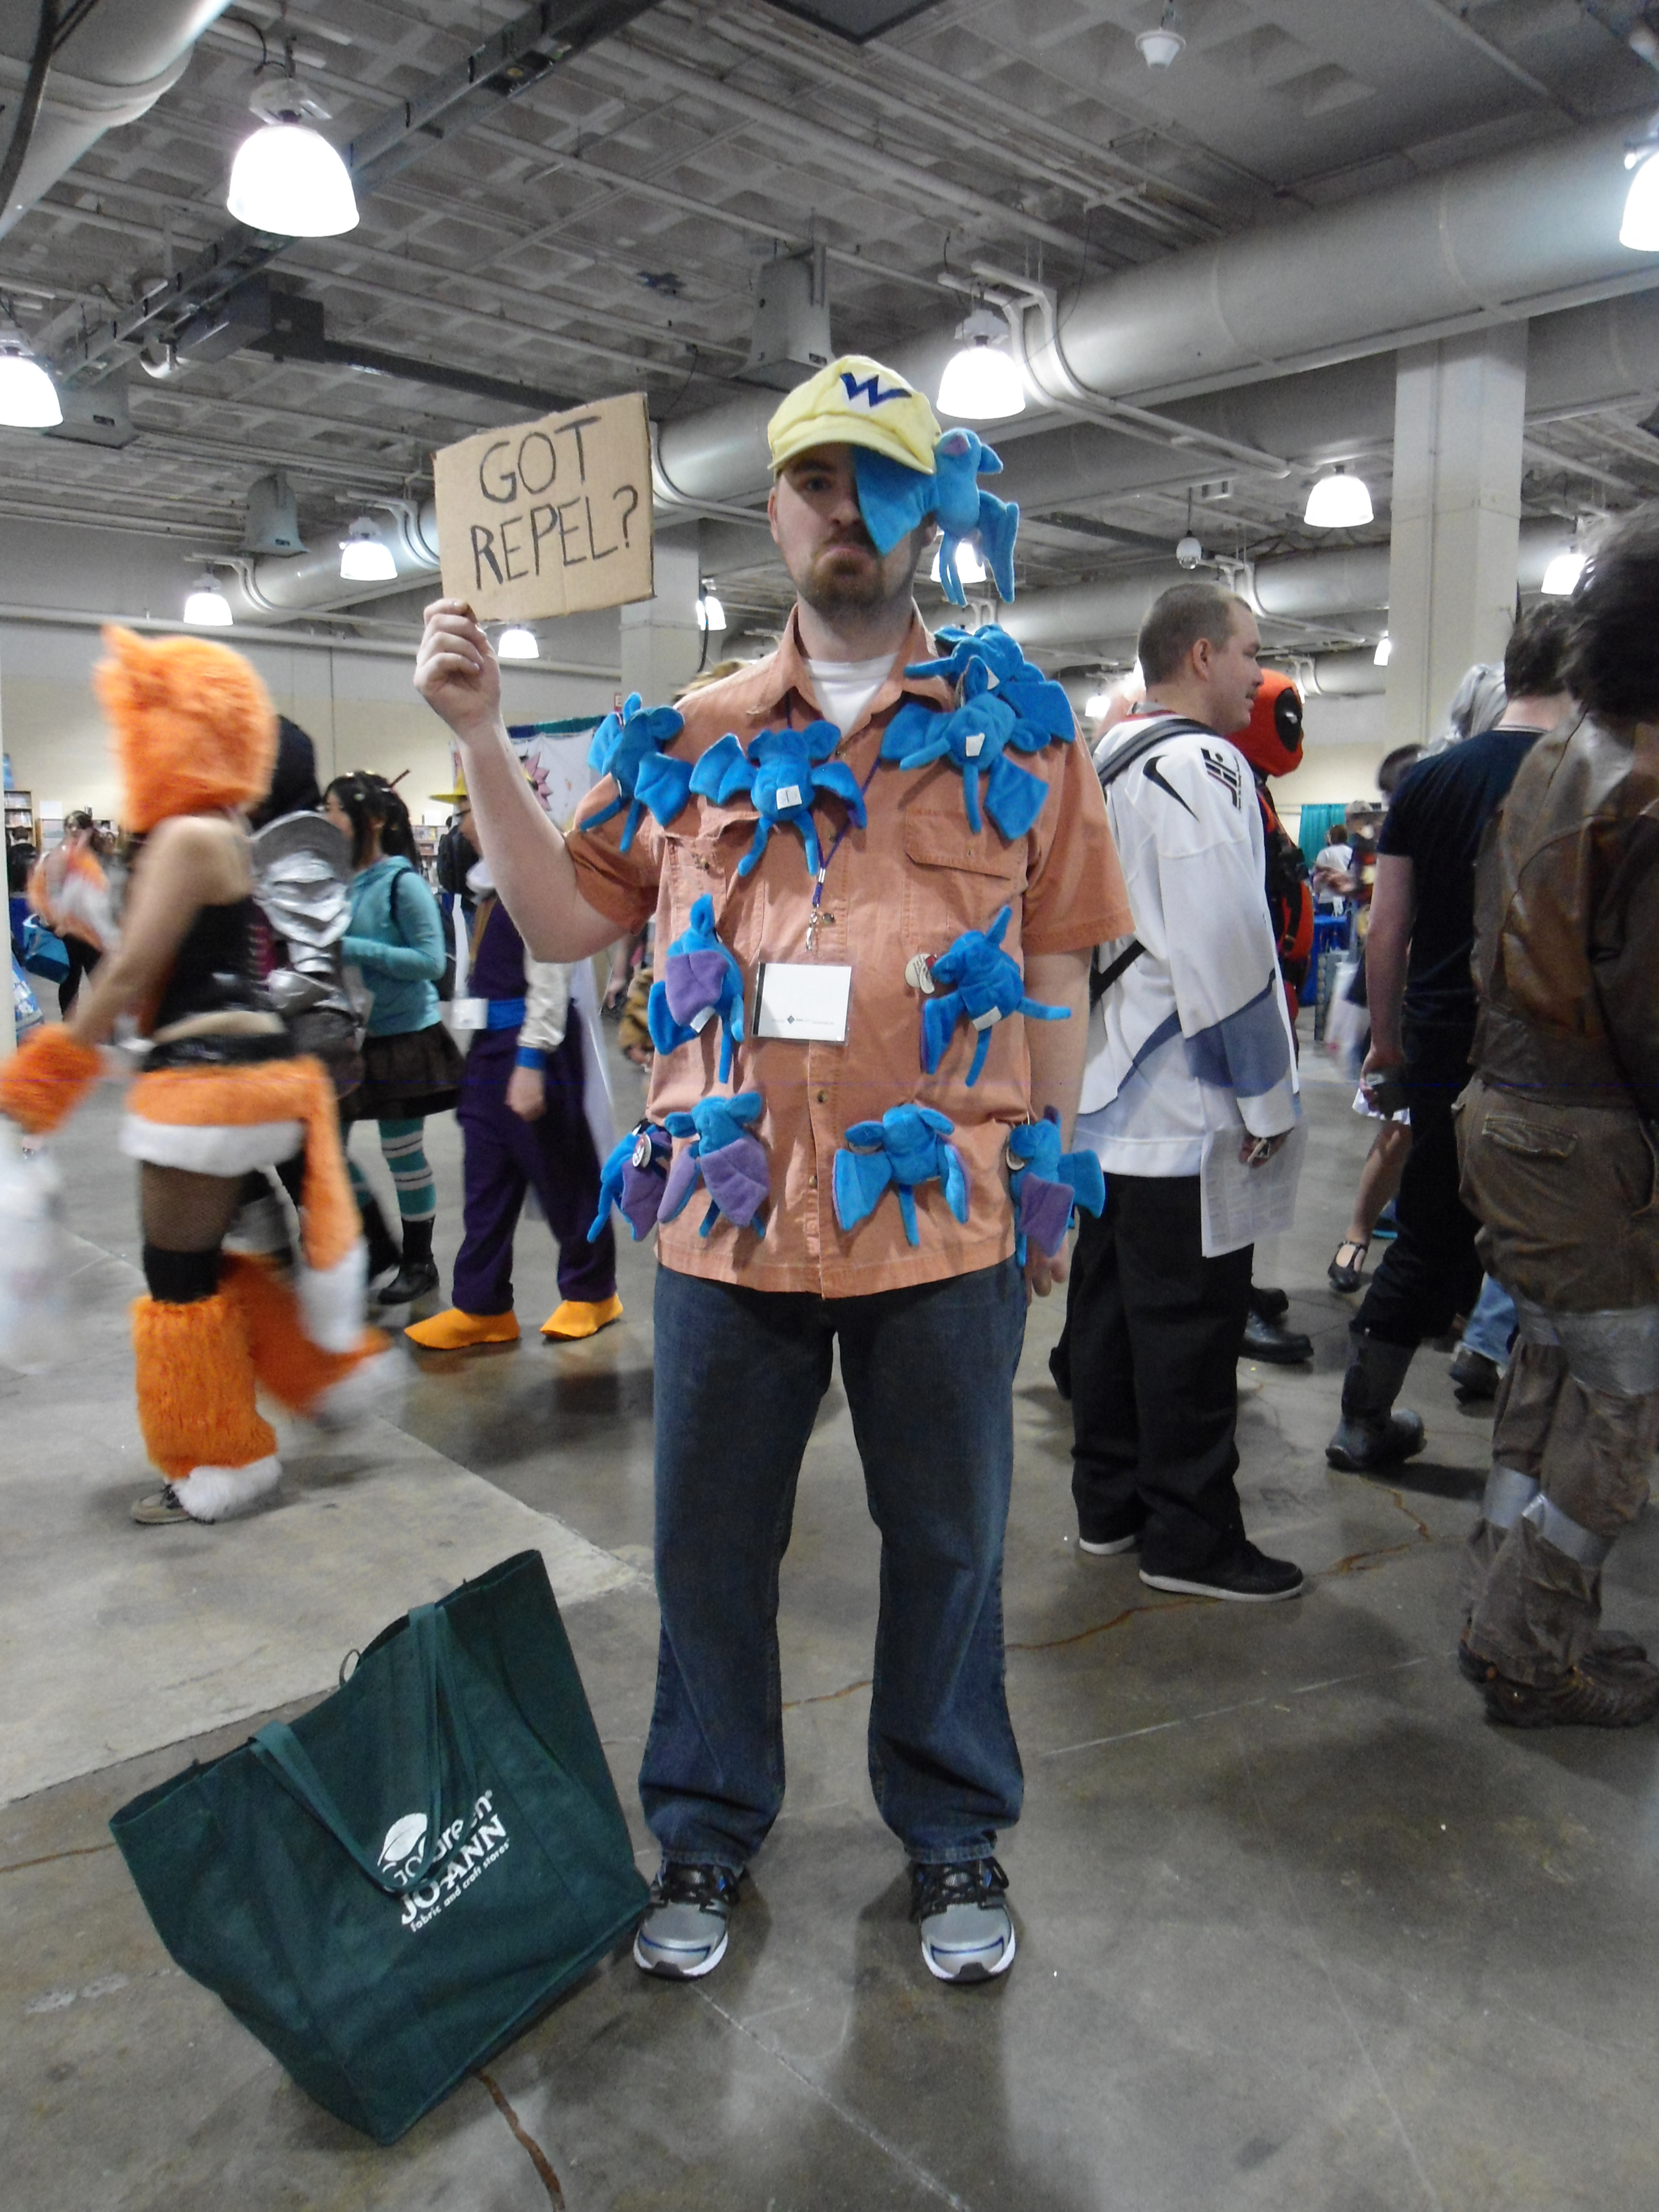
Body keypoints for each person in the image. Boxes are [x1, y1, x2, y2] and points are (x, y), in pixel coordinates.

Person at [414, 352, 1128, 1986]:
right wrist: (479, 738)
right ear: (775, 512)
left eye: (880, 480)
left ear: (929, 512)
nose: (845, 511)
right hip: (726, 1226)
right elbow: (562, 919)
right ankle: (706, 1822)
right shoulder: (688, 734)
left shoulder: (1024, 734)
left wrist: (1052, 1169)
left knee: (947, 1543)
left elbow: (1061, 963)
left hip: (942, 1219)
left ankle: (950, 1821)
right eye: (817, 479)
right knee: (708, 1549)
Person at [0, 629, 384, 1525]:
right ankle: (322, 1374)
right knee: (200, 1259)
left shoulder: (187, 834)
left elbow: (133, 974)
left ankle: (220, 1461)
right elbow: (153, 958)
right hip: (243, 1070)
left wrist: (42, 1079)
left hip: (207, 1079)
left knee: (176, 1278)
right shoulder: (218, 832)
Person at [1455, 506, 1659, 1726]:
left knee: (1545, 1368)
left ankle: (1498, 1610)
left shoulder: (1557, 755)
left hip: (1506, 1108)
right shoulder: (1648, 787)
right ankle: (1534, 1653)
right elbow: (1650, 1012)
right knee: (1621, 1409)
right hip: (1590, 1135)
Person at [1062, 582, 1306, 1604]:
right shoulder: (1200, 766)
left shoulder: (1104, 759)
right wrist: (1267, 1102)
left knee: (1109, 1319)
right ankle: (1191, 1538)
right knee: (1189, 1331)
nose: (1260, 676)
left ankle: (1110, 1506)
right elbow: (1225, 945)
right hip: (1180, 1103)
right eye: (1250, 652)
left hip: (1102, 1096)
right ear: (1201, 655)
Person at [1327, 602, 1575, 1470]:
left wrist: (1386, 1041)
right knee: (1552, 1245)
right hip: (1553, 1052)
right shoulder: (1589, 777)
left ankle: (1361, 1420)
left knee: (1427, 1228)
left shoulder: (1430, 781)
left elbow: (1386, 931)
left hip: (1439, 1036)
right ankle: (1538, 1452)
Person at [404, 780, 620, 1351]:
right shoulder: (490, 882)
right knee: (486, 1180)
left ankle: (593, 1290)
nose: (464, 824)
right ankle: (481, 1304)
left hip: (533, 1048)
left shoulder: (537, 874)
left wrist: (531, 1058)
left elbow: (551, 970)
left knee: (562, 1172)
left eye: (472, 808)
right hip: (490, 1050)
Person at [325, 772, 463, 1310]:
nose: (327, 819)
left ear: (374, 820)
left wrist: (355, 949)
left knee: (401, 1152)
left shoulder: (401, 883)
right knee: (324, 1150)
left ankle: (418, 1261)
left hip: (402, 1036)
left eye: (335, 809)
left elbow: (430, 961)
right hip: (344, 1035)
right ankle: (374, 1244)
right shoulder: (337, 880)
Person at [1230, 667, 1316, 1365]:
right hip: (1247, 1002)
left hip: (1274, 996)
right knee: (1238, 1157)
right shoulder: (1225, 786)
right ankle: (1228, 1301)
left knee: (1251, 1164)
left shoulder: (1249, 787)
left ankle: (1237, 1286)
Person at [1326, 744, 1423, 1294]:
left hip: (1432, 996)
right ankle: (1359, 1231)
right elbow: (1385, 930)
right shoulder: (1394, 841)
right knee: (1400, 1126)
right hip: (1405, 999)